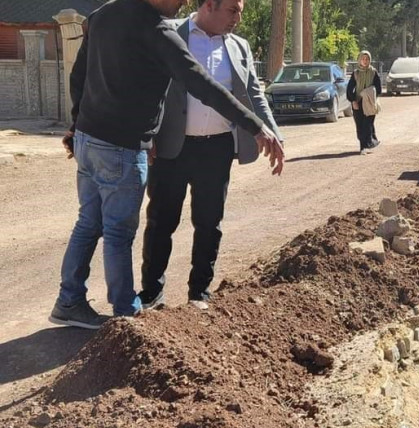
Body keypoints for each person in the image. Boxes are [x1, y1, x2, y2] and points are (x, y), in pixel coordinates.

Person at [49, 0, 284, 330]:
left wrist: (77, 124)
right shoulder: (161, 31)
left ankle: (69, 301)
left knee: (88, 223)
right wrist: (256, 127)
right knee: (119, 232)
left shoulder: (104, 14)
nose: (183, 2)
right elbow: (202, 85)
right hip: (123, 147)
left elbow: (79, 75)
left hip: (89, 138)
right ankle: (128, 314)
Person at [138, 0, 283, 311]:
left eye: (241, 10)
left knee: (209, 223)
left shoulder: (239, 46)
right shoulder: (170, 33)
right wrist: (145, 135)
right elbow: (147, 85)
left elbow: (253, 93)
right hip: (172, 147)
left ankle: (199, 293)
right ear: (208, 6)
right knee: (161, 221)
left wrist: (271, 132)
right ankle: (151, 293)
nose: (239, 18)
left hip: (217, 148)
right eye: (233, 10)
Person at [346, 51, 382, 155]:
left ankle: (365, 146)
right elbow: (349, 89)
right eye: (363, 59)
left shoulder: (373, 72)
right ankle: (364, 145)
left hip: (370, 102)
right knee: (360, 125)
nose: (365, 61)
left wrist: (369, 93)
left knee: (368, 124)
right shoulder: (356, 73)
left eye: (367, 59)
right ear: (359, 60)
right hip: (358, 102)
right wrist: (353, 101)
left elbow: (378, 89)